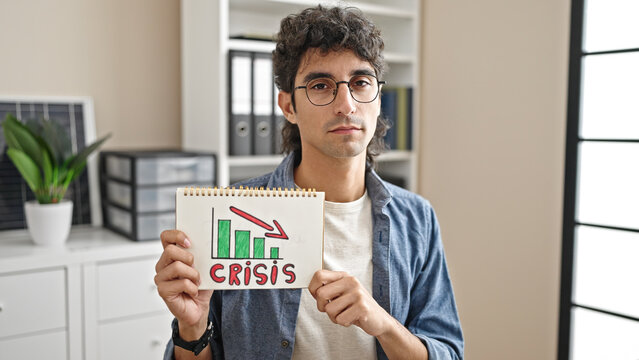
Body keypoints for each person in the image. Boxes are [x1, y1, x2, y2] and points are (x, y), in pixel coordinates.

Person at [155, 5, 463, 360]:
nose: (346, 105)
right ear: (288, 106)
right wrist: (191, 328)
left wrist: (384, 325)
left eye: (361, 82)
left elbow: (448, 352)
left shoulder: (417, 220)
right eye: (321, 85)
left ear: (378, 97)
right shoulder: (231, 216)